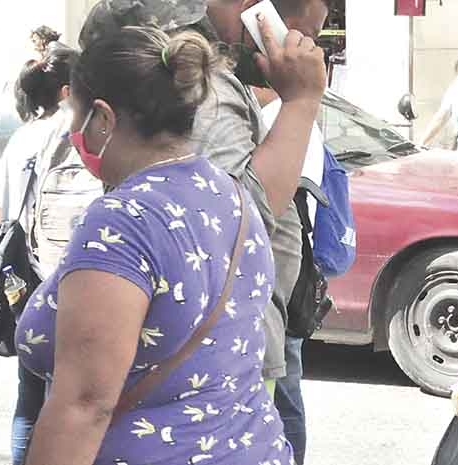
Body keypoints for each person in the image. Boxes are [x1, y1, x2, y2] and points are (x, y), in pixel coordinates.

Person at [18, 26, 301, 465]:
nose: (72, 133)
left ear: (103, 118)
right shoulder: (228, 193)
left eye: (75, 117)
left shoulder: (123, 221)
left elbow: (85, 405)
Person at [78, 0, 328, 400]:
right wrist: (302, 101)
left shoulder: (194, 71)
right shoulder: (200, 79)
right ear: (258, 12)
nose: (304, 49)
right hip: (216, 363)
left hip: (212, 350)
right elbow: (237, 213)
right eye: (301, 34)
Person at [0, 49, 78, 465]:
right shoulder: (78, 134)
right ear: (69, 90)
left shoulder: (23, 136)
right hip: (69, 277)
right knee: (69, 396)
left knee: (30, 393)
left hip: (24, 282)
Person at [249, 1, 328, 463]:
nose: (312, 47)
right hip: (267, 289)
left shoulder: (294, 107)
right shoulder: (266, 104)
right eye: (305, 32)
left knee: (281, 388)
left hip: (279, 282)